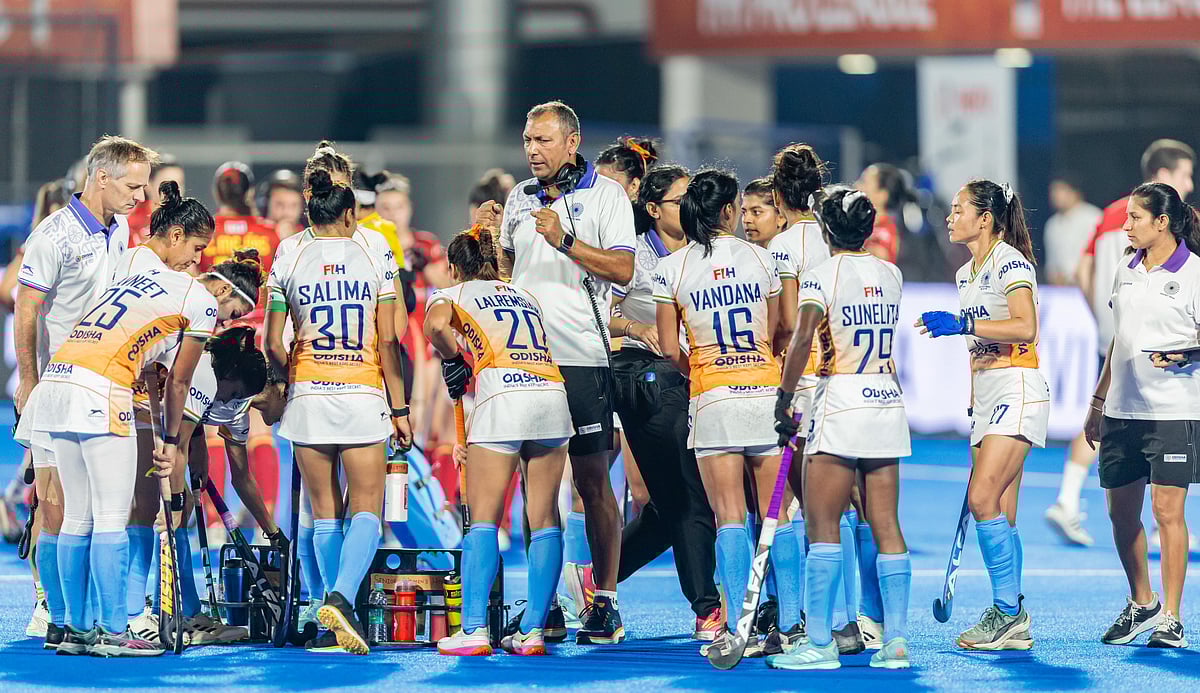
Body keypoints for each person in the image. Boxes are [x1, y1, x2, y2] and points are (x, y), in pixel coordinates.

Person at [29, 237, 263, 656]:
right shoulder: (197, 302)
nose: (225, 323)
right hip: (104, 389)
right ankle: (118, 629)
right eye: (233, 314)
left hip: (59, 376)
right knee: (112, 516)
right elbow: (176, 382)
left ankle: (73, 629)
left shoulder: (140, 270)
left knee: (77, 515)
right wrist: (170, 442)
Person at [476, 101, 634, 645]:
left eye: (543, 140)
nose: (532, 150)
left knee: (593, 483)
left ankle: (605, 599)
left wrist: (565, 239)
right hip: (525, 361)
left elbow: (624, 267)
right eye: (527, 140)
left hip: (584, 355)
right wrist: (486, 241)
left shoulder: (606, 195)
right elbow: (505, 274)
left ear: (572, 142)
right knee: (535, 490)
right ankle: (547, 605)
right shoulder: (520, 198)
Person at [13, 136, 156, 648]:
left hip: (107, 383)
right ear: (101, 177)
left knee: (88, 509)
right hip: (57, 386)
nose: (140, 196)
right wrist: (29, 380)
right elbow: (27, 307)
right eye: (133, 185)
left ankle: (80, 622)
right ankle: (58, 615)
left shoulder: (118, 230)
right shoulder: (54, 234)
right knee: (54, 507)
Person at [651, 168, 801, 657]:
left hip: (713, 399)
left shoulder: (672, 268)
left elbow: (670, 348)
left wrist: (702, 362)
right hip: (762, 393)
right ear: (729, 211)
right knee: (780, 514)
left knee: (729, 517)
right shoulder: (762, 259)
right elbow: (783, 330)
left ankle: (740, 626)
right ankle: (794, 623)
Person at [265, 168, 411, 655]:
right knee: (367, 508)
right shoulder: (374, 247)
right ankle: (342, 599)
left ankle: (330, 625)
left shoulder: (289, 251)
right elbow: (390, 337)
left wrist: (285, 382)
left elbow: (270, 339)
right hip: (363, 391)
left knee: (323, 514)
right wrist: (401, 406)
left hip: (307, 392)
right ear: (350, 213)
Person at [766, 186, 912, 671]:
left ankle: (822, 643)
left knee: (822, 525)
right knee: (886, 524)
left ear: (826, 229)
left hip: (842, 400)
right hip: (886, 400)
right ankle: (894, 642)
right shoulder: (890, 273)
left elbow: (804, 335)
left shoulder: (821, 275)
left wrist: (785, 399)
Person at [429, 225, 574, 656]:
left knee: (483, 519)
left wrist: (454, 357)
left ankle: (473, 629)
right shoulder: (523, 295)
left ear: (454, 267)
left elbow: (437, 327)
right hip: (551, 394)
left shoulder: (452, 295)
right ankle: (532, 632)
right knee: (545, 517)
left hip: (503, 398)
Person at [915, 179, 1047, 650]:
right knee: (1002, 513)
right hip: (988, 395)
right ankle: (1012, 617)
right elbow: (977, 348)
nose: (950, 218)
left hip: (1018, 385)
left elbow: (1025, 327)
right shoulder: (965, 272)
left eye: (958, 210)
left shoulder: (1010, 262)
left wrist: (964, 324)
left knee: (982, 498)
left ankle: (1008, 613)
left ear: (985, 218)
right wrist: (974, 395)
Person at [1054, 139, 1196, 548]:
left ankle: (1068, 498)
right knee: (1153, 420)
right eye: (1185, 174)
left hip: (1117, 332)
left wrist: (1108, 314)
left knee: (1113, 416)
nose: (1189, 182)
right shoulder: (1173, 220)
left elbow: (1083, 270)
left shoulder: (1109, 214)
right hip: (1162, 341)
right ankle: (1161, 522)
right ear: (1165, 175)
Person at [608, 164, 723, 640]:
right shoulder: (635, 255)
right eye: (679, 199)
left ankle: (599, 582)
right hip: (647, 377)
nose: (691, 204)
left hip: (700, 378)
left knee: (665, 508)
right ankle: (707, 608)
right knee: (690, 492)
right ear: (653, 210)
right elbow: (600, 310)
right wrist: (639, 330)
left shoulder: (705, 253)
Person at [1085, 182, 1200, 649]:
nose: (1125, 225)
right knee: (1120, 515)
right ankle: (1143, 602)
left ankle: (1172, 617)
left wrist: (1187, 353)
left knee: (1166, 512)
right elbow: (1119, 340)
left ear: (1163, 223)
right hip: (1120, 411)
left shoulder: (1194, 274)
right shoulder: (1123, 269)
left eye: (1134, 218)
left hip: (1173, 412)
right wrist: (1097, 403)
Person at [764, 143, 833, 654]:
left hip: (801, 379)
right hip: (837, 378)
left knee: (791, 502)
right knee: (837, 503)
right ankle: (851, 619)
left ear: (779, 195)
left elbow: (788, 323)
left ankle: (795, 620)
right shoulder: (834, 239)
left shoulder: (784, 246)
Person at [201, 161, 283, 532]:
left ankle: (213, 523)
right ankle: (265, 515)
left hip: (218, 338)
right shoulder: (269, 233)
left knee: (208, 429)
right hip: (258, 339)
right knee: (259, 431)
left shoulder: (209, 232)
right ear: (249, 193)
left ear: (218, 193)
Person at [1043, 173, 1102, 287]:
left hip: (1090, 287)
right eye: (1053, 191)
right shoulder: (1052, 225)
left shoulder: (1094, 217)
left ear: (1075, 192)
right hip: (1062, 291)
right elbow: (1051, 265)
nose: (1055, 195)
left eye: (1061, 190)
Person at [855, 163, 910, 263]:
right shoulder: (857, 225)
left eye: (864, 182)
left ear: (882, 195)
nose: (856, 186)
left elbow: (875, 270)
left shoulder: (884, 233)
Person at [127, 154, 185, 246]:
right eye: (167, 184)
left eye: (180, 184)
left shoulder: (189, 225)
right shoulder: (130, 225)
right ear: (148, 185)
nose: (175, 190)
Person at [257, 169, 305, 240]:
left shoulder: (308, 238)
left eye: (294, 206)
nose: (287, 212)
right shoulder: (252, 236)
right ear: (265, 204)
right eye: (279, 204)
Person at [742, 178, 784, 249]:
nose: (746, 220)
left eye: (756, 212)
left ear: (781, 217)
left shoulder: (799, 255)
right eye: (744, 212)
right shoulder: (740, 256)